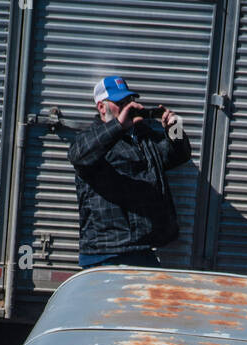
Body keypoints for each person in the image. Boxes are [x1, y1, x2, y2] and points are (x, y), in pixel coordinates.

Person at [68, 74, 191, 269]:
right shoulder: (90, 137)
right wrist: (118, 126)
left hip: (140, 249)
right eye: (120, 102)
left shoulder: (142, 137)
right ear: (101, 107)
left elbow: (178, 156)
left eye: (129, 101)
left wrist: (174, 129)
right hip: (106, 252)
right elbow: (78, 156)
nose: (127, 106)